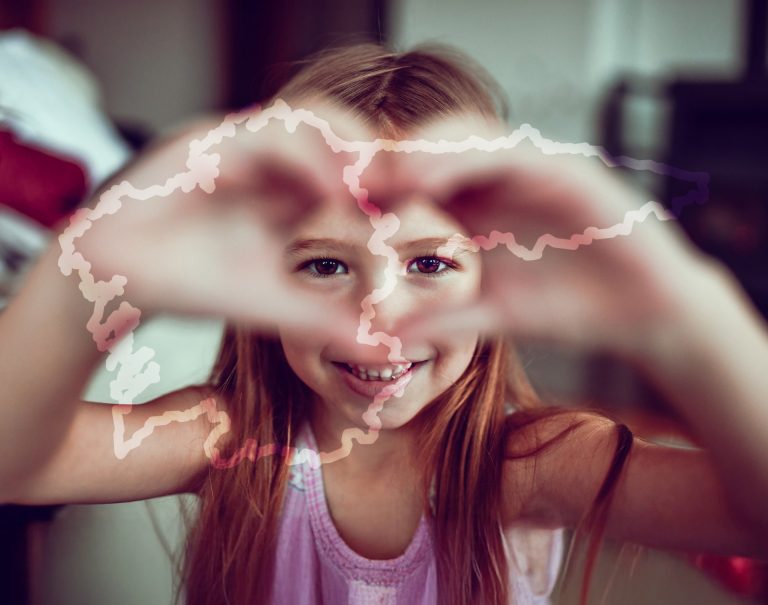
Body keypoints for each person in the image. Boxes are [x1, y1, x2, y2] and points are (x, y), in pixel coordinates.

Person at [1, 42, 767, 605]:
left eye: (429, 264)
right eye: (326, 265)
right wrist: (84, 272)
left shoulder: (530, 461)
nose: (378, 322)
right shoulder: (227, 437)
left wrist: (680, 316)